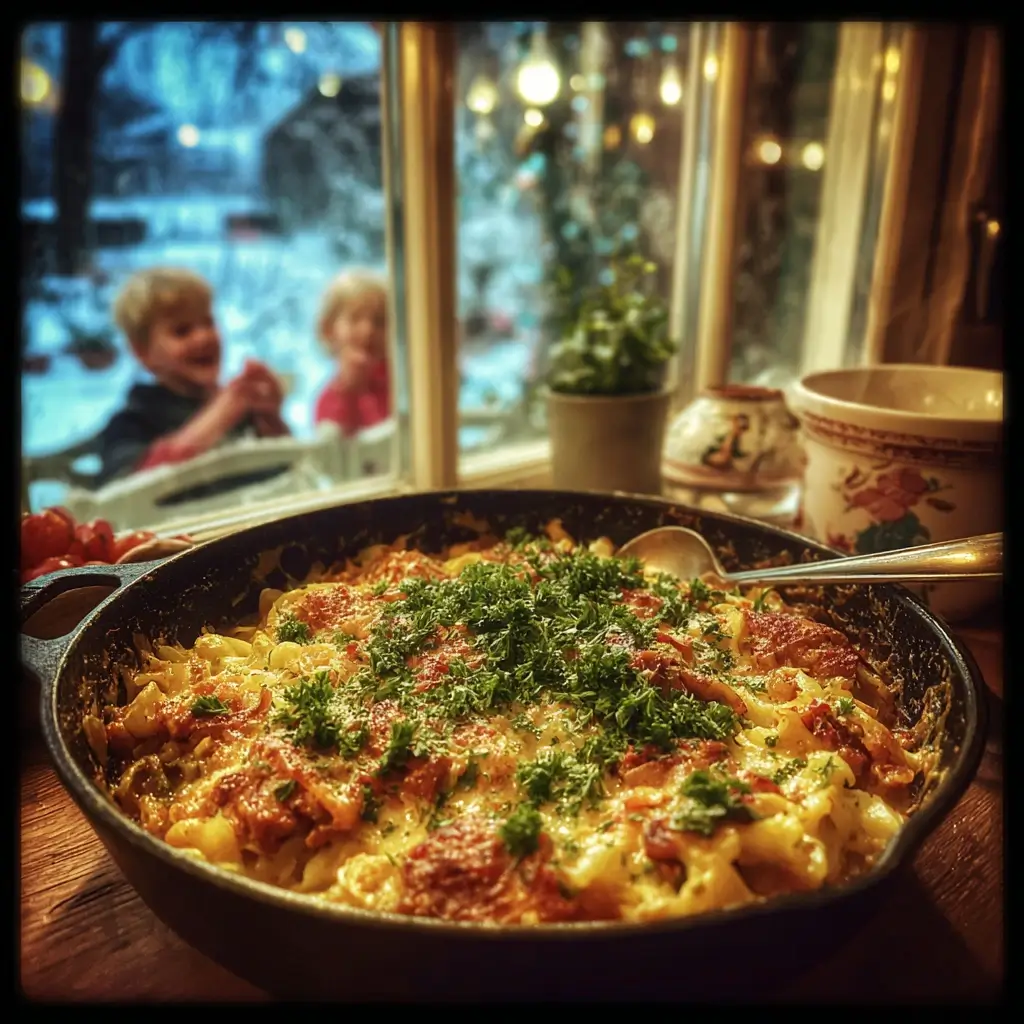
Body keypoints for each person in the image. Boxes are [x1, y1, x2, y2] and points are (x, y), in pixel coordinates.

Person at [94, 267, 290, 488]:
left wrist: (270, 416)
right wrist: (218, 416)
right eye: (182, 331)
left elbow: (288, 471)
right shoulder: (131, 422)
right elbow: (128, 491)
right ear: (143, 352)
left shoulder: (240, 407)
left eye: (208, 323)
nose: (203, 337)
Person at [314, 268, 391, 437]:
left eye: (379, 321)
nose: (368, 330)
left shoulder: (402, 384)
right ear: (328, 329)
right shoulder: (329, 399)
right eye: (355, 318)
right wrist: (349, 388)